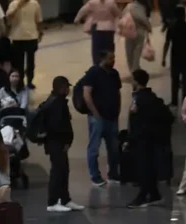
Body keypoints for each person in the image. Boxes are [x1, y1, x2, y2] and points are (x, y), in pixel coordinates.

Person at [31, 77, 82, 212]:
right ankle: (52, 202)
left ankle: (65, 199)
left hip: (57, 143)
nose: (68, 90)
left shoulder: (56, 101)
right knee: (57, 171)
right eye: (66, 87)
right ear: (61, 88)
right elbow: (58, 126)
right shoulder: (56, 104)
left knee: (63, 170)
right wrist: (65, 141)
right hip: (56, 143)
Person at [126, 69, 174, 208]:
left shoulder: (139, 99)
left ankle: (143, 196)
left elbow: (135, 121)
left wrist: (130, 139)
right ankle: (154, 194)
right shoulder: (152, 97)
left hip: (143, 139)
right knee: (149, 167)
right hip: (151, 138)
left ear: (136, 81)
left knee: (144, 168)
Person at [83, 49, 123, 187]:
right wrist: (95, 113)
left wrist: (117, 110)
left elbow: (117, 92)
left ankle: (113, 173)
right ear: (103, 59)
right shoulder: (93, 73)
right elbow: (87, 94)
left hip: (112, 116)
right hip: (98, 118)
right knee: (94, 148)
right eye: (110, 59)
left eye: (114, 58)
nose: (113, 61)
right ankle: (95, 176)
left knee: (114, 147)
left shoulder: (114, 74)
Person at [75, 0, 123, 65]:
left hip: (97, 27)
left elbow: (83, 10)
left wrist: (77, 19)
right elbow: (118, 14)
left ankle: (97, 64)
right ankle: (108, 64)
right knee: (108, 48)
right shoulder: (111, 3)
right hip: (109, 28)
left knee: (96, 49)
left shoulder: (92, 2)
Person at [7, 0, 44, 89]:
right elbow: (9, 17)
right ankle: (20, 81)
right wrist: (18, 6)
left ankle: (30, 81)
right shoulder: (14, 4)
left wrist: (40, 32)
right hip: (17, 37)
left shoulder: (35, 4)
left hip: (31, 36)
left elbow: (38, 19)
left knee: (31, 62)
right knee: (19, 62)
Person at [122, 0, 153, 72]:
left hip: (129, 32)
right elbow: (143, 18)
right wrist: (148, 27)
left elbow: (122, 16)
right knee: (136, 54)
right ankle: (135, 70)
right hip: (139, 32)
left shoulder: (129, 6)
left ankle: (133, 71)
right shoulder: (141, 7)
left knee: (129, 54)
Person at [163, 4, 186, 107]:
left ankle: (174, 101)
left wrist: (163, 58)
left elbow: (167, 43)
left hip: (175, 55)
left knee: (175, 80)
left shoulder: (171, 28)